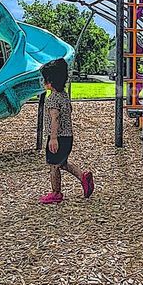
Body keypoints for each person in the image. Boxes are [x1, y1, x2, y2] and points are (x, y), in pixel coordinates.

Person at [39, 58, 94, 205]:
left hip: (58, 137)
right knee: (62, 163)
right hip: (68, 136)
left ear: (50, 81)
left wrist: (53, 138)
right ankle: (83, 176)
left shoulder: (52, 99)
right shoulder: (64, 96)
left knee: (54, 166)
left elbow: (55, 118)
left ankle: (56, 193)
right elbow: (70, 110)